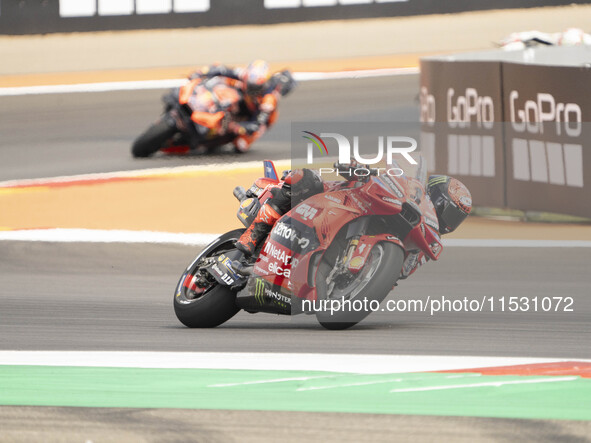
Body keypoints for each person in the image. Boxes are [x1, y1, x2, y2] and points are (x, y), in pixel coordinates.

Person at [236, 166, 472, 280]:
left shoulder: (418, 250)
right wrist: (360, 169)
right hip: (329, 201)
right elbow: (363, 172)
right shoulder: (403, 189)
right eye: (446, 210)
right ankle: (252, 237)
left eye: (454, 217)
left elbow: (395, 277)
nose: (445, 219)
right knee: (304, 178)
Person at [190, 59, 294, 152]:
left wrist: (237, 127)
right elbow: (220, 69)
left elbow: (257, 125)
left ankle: (215, 142)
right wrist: (200, 73)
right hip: (241, 102)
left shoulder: (268, 101)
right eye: (250, 85)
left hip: (255, 117)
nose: (251, 90)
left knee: (241, 145)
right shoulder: (245, 75)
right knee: (224, 86)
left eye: (255, 88)